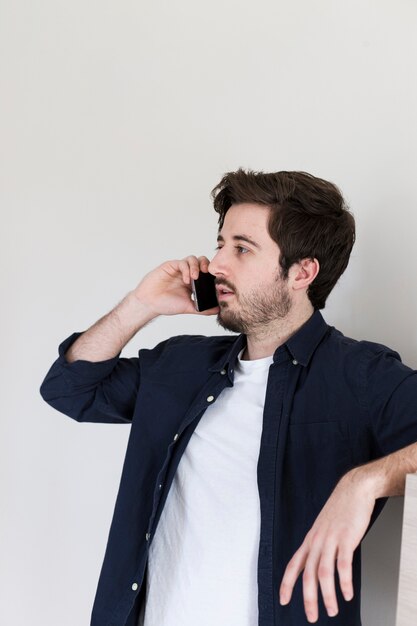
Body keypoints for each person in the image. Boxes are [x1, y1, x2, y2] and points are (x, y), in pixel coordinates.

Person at [40, 169, 417, 626]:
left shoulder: (361, 376)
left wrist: (365, 483)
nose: (216, 263)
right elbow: (70, 389)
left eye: (241, 248)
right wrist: (141, 304)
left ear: (302, 272)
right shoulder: (178, 367)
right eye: (220, 244)